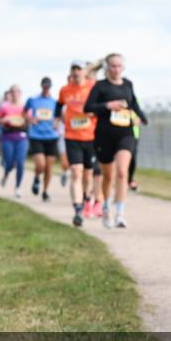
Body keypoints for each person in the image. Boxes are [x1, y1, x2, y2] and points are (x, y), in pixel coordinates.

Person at [83, 53, 148, 228]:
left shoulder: (128, 84)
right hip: (104, 135)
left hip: (125, 133)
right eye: (113, 66)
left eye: (119, 66)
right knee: (108, 176)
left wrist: (141, 118)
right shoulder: (100, 86)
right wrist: (107, 106)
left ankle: (120, 212)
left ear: (123, 68)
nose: (116, 69)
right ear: (107, 68)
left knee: (121, 172)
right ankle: (106, 208)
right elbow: (87, 107)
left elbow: (134, 104)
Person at [57, 61, 97, 227]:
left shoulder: (93, 87)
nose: (76, 72)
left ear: (84, 72)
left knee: (87, 175)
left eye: (79, 69)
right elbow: (58, 105)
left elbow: (101, 106)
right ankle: (78, 210)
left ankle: (86, 197)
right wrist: (57, 118)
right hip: (72, 136)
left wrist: (93, 112)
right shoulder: (65, 90)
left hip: (91, 137)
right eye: (73, 69)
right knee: (76, 172)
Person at [24, 77, 61, 202]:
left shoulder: (55, 101)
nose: (46, 88)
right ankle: (36, 177)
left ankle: (45, 191)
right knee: (41, 164)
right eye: (44, 86)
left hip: (51, 136)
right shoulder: (33, 99)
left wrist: (57, 122)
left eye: (48, 86)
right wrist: (30, 119)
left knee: (49, 167)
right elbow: (24, 112)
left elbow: (59, 116)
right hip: (36, 136)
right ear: (41, 86)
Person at [0, 85, 29, 198]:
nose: (16, 93)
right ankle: (6, 174)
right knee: (9, 163)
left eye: (17, 91)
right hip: (8, 137)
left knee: (20, 162)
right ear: (10, 93)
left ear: (20, 93)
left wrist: (26, 120)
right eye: (13, 91)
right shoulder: (5, 107)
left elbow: (29, 120)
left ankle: (17, 187)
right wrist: (4, 120)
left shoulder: (25, 107)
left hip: (21, 136)